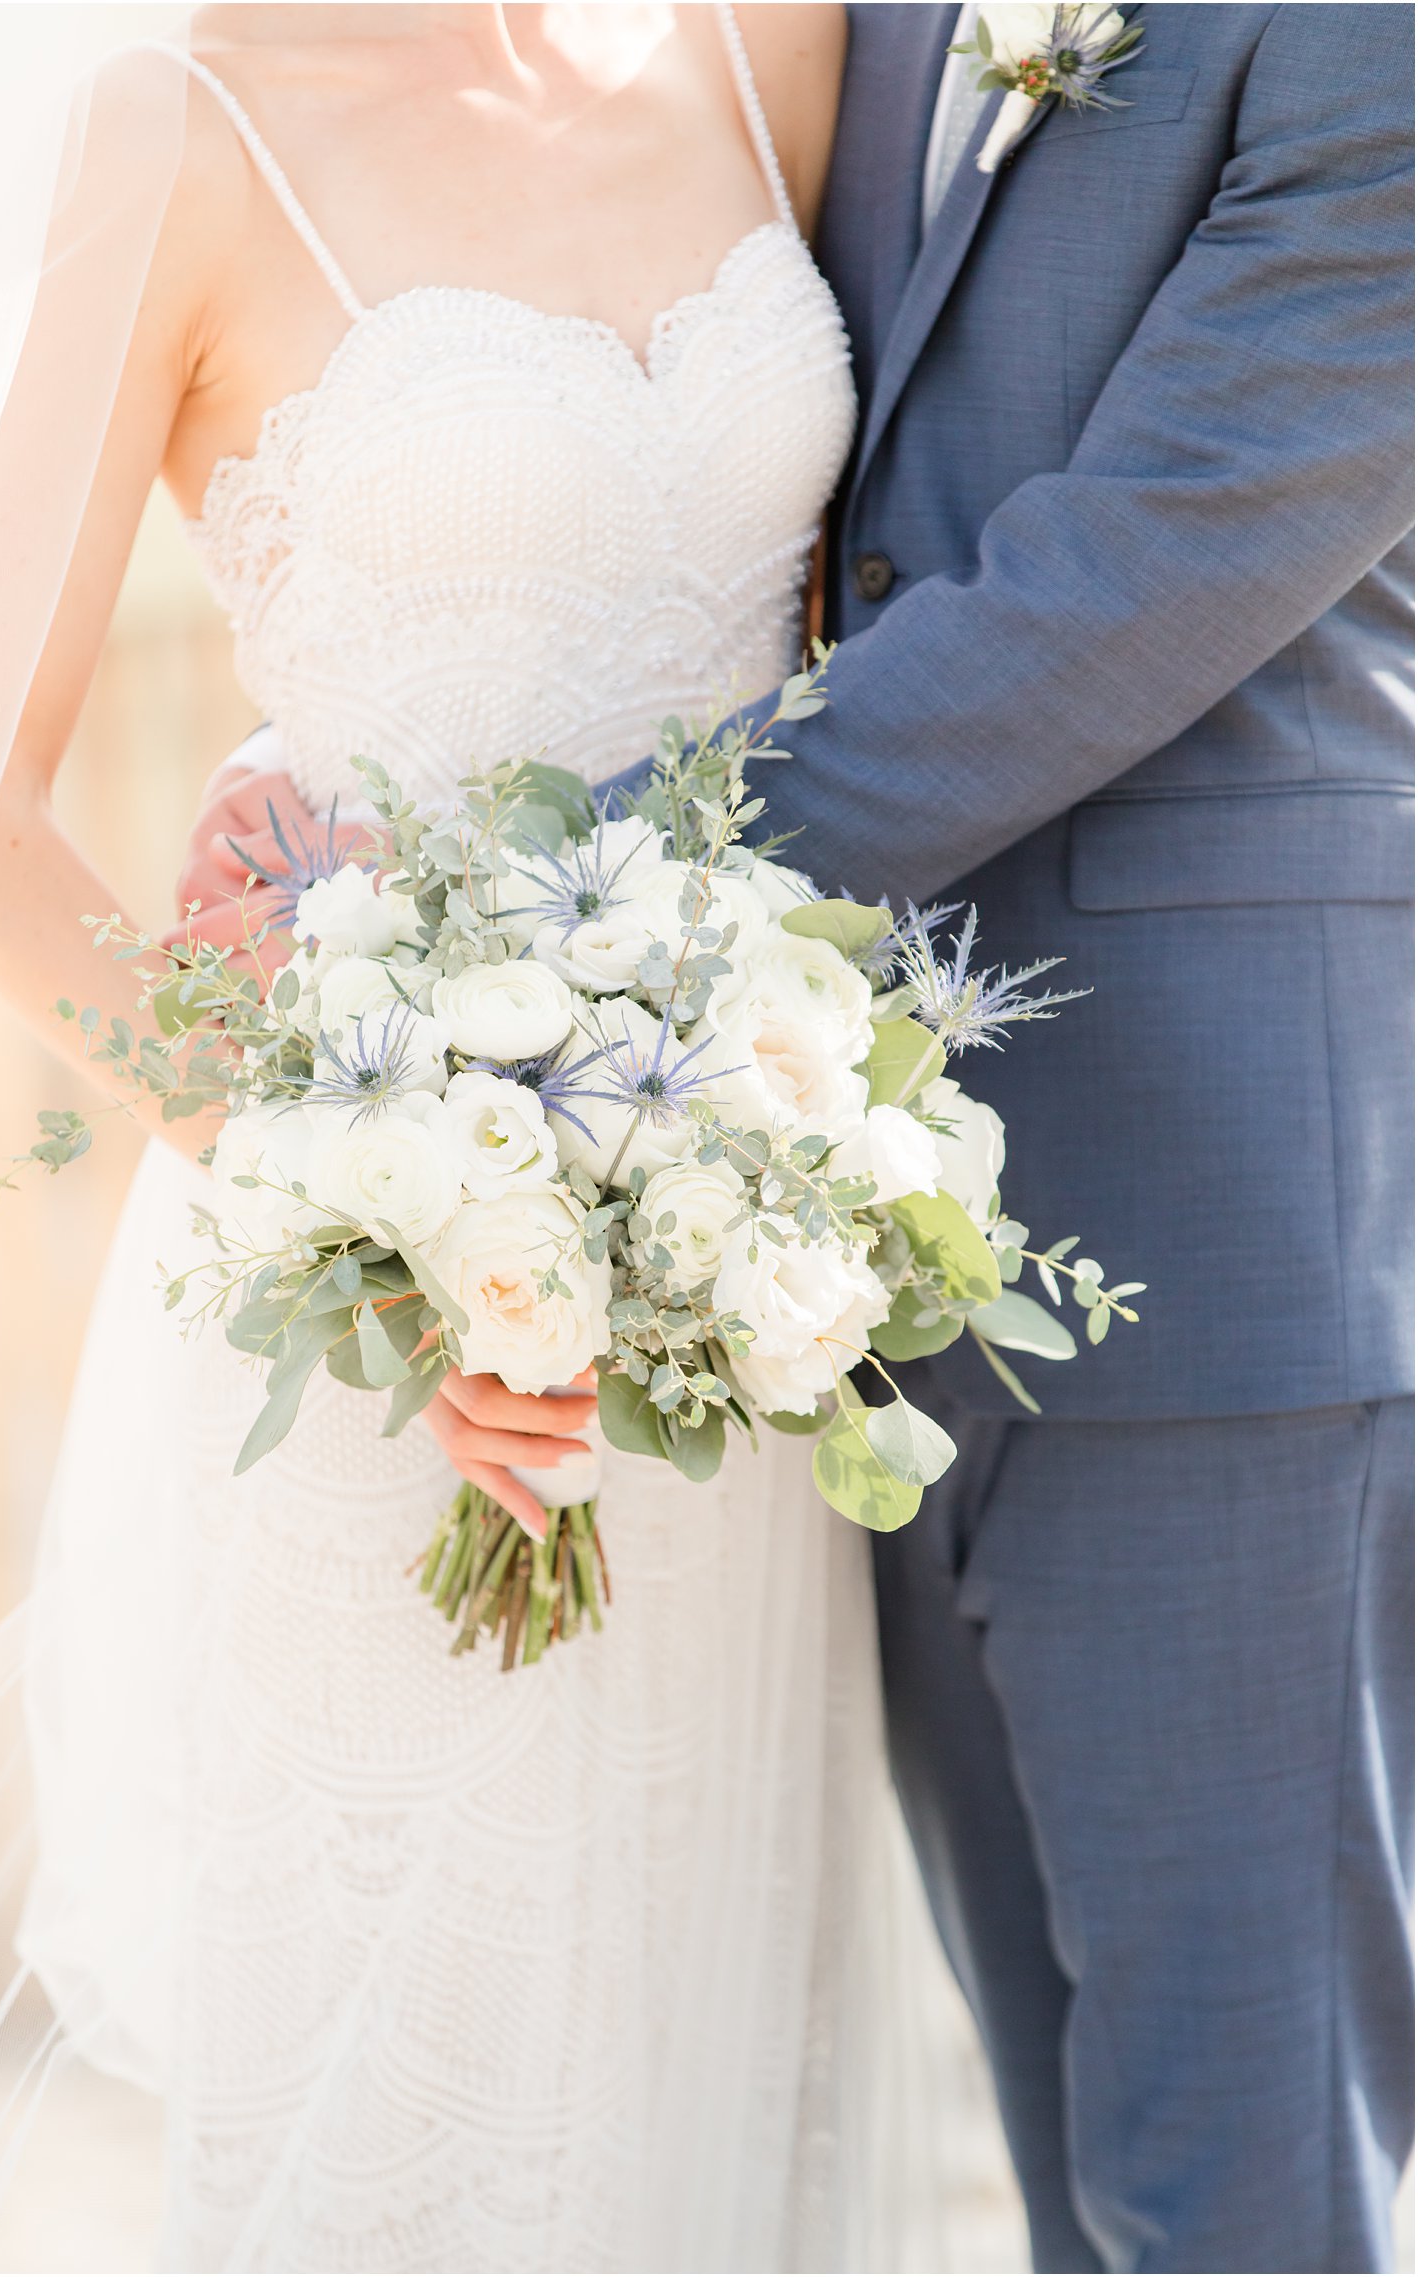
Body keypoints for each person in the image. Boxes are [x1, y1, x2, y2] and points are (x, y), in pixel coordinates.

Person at [182, 4, 1416, 2270]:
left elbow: (1132, 573)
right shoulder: (840, 16)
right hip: (825, 1247)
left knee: (1233, 2185)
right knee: (1061, 2148)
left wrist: (528, 906)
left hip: (1214, 1220)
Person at [0, 6, 948, 2268]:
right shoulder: (176, 127)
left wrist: (701, 1196)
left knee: (697, 2097)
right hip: (383, 1359)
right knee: (412, 2128)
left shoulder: (751, 51)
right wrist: (403, 1218)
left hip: (721, 1312)